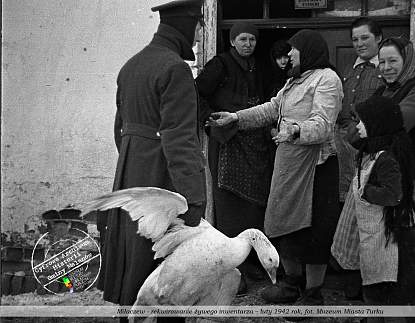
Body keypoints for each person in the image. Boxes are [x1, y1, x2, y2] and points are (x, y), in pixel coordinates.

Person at [207, 29, 343, 306]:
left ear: (309, 50)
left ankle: (313, 292)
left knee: (315, 229)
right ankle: (291, 284)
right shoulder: (294, 81)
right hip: (289, 164)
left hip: (316, 168)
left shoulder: (327, 79)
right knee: (284, 223)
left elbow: (323, 124)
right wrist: (235, 117)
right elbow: (271, 109)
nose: (290, 54)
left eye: (294, 50)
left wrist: (294, 131)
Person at [98, 0, 207, 315]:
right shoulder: (175, 69)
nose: (200, 34)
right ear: (186, 26)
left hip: (131, 173)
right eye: (199, 26)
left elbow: (120, 129)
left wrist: (136, 164)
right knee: (160, 274)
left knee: (133, 262)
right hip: (161, 180)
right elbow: (181, 140)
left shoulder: (131, 65)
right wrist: (193, 199)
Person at [332, 36, 415, 311]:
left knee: (401, 242)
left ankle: (402, 304)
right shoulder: (381, 93)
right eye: (382, 62)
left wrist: (368, 128)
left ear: (407, 61)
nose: (387, 67)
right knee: (374, 245)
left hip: (405, 177)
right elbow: (354, 135)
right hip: (373, 175)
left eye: (393, 61)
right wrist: (366, 130)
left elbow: (399, 121)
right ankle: (380, 305)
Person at [196, 22, 274, 290]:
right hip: (228, 143)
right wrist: (209, 121)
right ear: (232, 41)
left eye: (252, 39)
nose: (248, 44)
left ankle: (252, 264)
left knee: (255, 205)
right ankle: (232, 271)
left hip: (255, 145)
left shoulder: (258, 66)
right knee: (228, 204)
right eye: (242, 39)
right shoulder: (219, 65)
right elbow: (197, 92)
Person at [331, 16, 385, 300]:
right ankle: (349, 274)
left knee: (368, 212)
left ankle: (367, 278)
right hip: (343, 148)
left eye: (364, 38)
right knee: (345, 209)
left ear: (378, 38)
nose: (359, 44)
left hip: (370, 149)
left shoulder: (386, 70)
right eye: (354, 39)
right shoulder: (348, 72)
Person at [352, 96, 415, 320]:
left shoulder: (386, 158)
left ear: (377, 124)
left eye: (362, 121)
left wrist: (367, 191)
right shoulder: (372, 151)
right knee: (377, 289)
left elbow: (394, 194)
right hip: (377, 236)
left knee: (387, 293)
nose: (357, 126)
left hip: (389, 239)